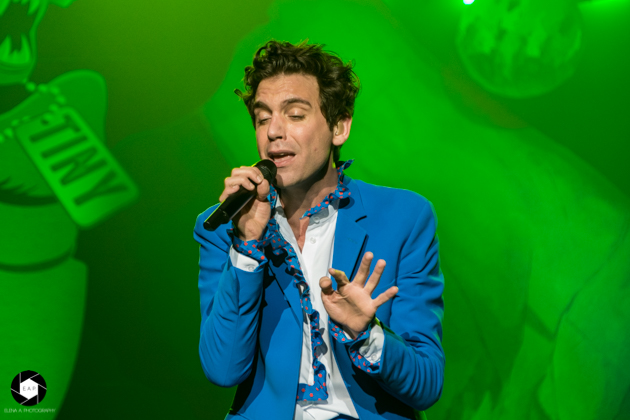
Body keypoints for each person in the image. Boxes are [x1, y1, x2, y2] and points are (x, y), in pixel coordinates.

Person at [194, 40, 445, 420]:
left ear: (339, 127)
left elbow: (426, 384)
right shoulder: (224, 227)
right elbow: (223, 368)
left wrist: (366, 333)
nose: (274, 131)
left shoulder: (404, 217)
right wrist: (246, 248)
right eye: (262, 118)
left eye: (295, 115)